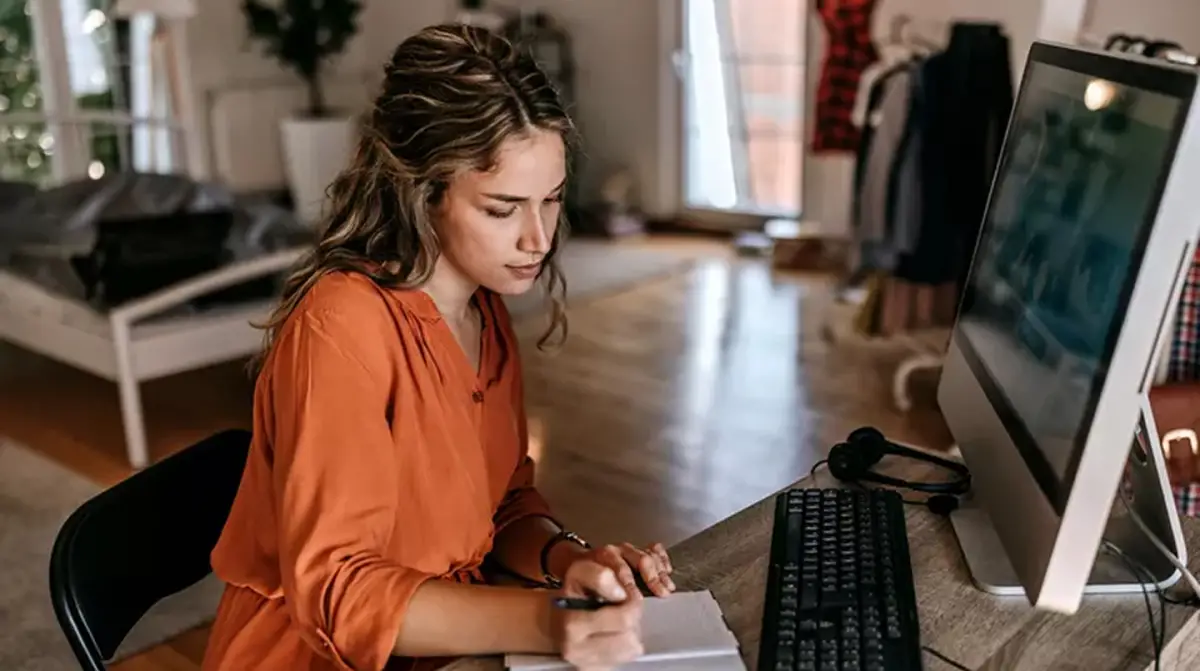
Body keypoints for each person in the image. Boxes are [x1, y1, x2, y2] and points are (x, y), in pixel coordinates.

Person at [202, 24, 676, 671]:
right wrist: (549, 620)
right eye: (503, 208)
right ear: (423, 193)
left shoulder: (483, 311)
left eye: (553, 199)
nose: (538, 238)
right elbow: (339, 594)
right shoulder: (341, 326)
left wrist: (573, 561)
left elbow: (504, 503)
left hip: (445, 641)